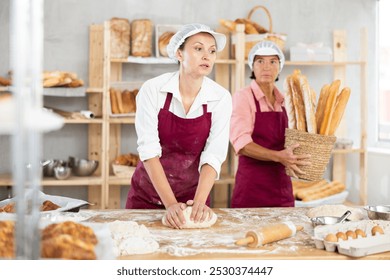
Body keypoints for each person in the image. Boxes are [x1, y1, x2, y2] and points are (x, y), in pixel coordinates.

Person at [126, 23, 232, 228]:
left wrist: (199, 202)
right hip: (147, 198)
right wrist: (170, 204)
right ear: (179, 54)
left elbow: (214, 154)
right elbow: (149, 151)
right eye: (198, 48)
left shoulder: (220, 98)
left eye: (212, 51)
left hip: (193, 201)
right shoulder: (152, 90)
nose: (207, 56)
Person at [229, 41, 310, 208]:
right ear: (252, 66)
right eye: (260, 61)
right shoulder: (243, 97)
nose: (266, 67)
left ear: (279, 66)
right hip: (252, 188)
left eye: (272, 61)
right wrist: (278, 156)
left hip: (282, 188)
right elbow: (241, 144)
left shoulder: (285, 101)